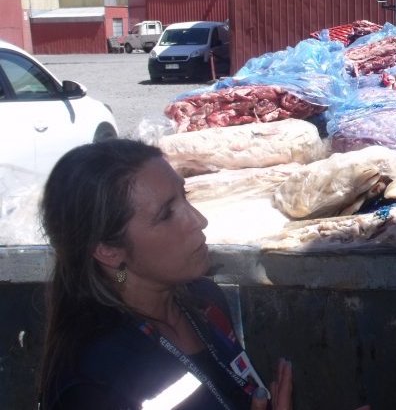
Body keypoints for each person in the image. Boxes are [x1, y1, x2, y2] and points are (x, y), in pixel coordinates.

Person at [38, 139, 291, 410]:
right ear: (108, 250)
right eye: (166, 214)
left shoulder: (205, 302)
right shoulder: (93, 381)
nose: (199, 220)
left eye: (185, 195)